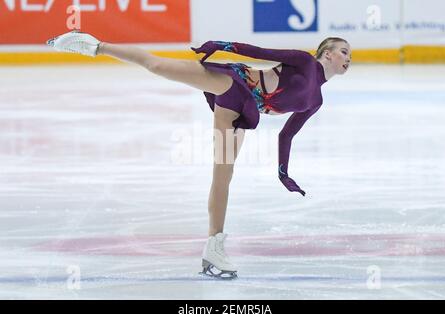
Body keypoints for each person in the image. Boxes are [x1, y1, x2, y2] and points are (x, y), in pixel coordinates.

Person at [47, 31, 352, 279]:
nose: (348, 58)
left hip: (241, 110)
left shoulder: (316, 100)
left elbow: (287, 134)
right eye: (344, 52)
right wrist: (222, 46)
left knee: (223, 176)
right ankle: (94, 45)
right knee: (158, 66)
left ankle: (213, 248)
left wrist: (283, 173)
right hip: (235, 82)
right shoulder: (304, 62)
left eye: (348, 54)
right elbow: (258, 51)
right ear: (327, 53)